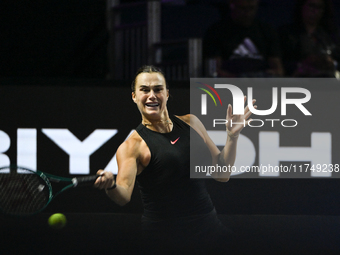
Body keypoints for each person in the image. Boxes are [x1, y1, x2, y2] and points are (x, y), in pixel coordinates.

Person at [94, 65, 255, 254]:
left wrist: (232, 136)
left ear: (167, 93)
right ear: (134, 97)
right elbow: (123, 196)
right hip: (164, 239)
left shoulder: (191, 123)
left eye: (158, 89)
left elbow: (222, 174)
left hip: (209, 228)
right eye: (144, 90)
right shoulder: (132, 147)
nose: (152, 95)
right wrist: (111, 185)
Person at [203, 0, 284, 77]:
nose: (247, 14)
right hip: (230, 85)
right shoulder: (216, 31)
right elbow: (214, 71)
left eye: (251, 8)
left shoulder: (267, 31)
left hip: (260, 85)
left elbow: (278, 70)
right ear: (232, 4)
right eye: (242, 8)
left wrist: (264, 77)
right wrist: (240, 79)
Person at [278, 0, 340, 77]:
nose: (315, 11)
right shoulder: (286, 33)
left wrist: (331, 63)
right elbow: (280, 63)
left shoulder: (331, 35)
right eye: (311, 6)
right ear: (302, 7)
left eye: (320, 7)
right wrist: (303, 66)